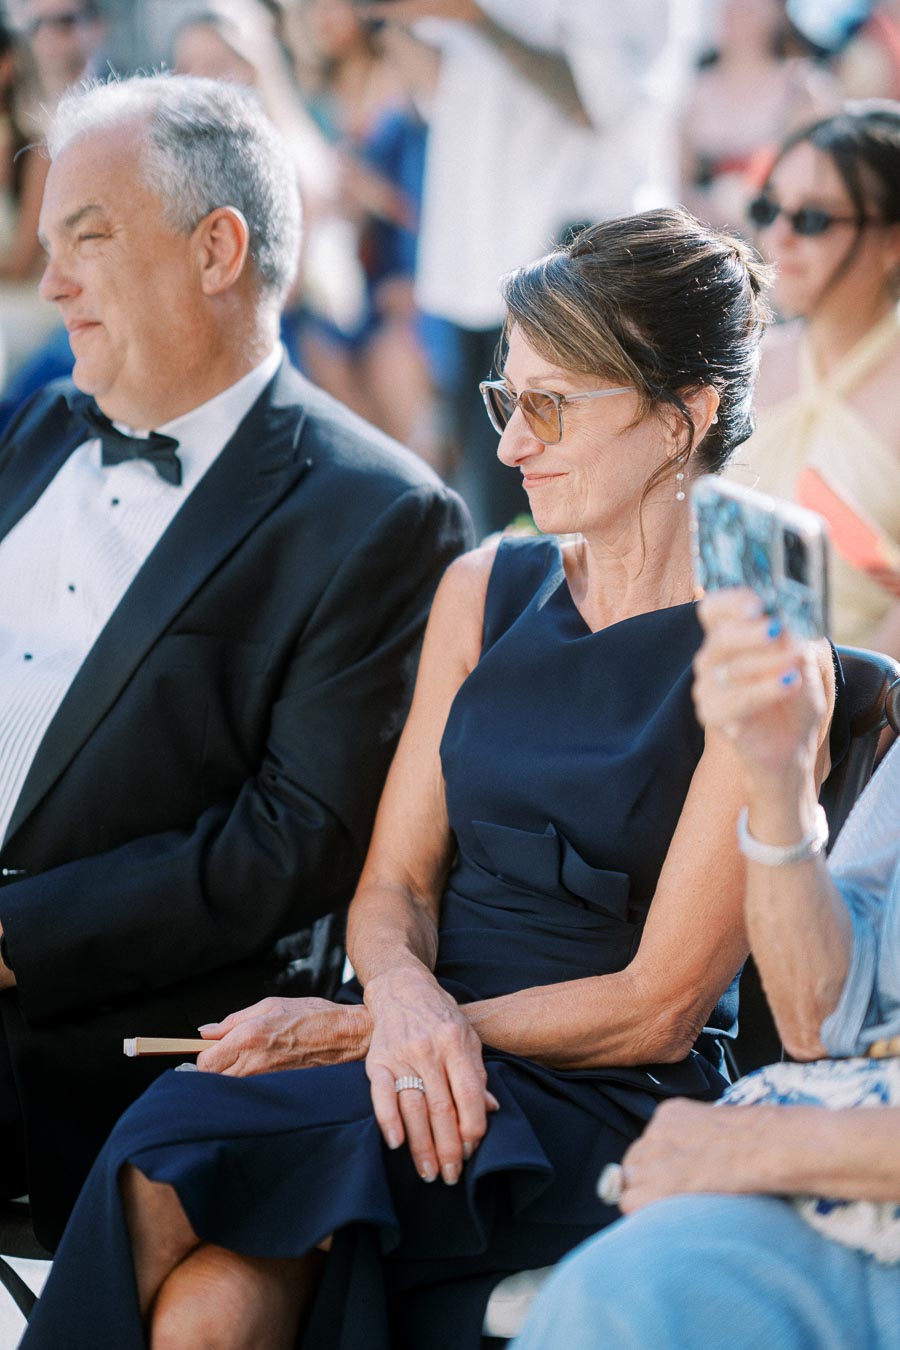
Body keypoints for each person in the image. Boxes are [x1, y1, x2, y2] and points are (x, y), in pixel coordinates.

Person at [20, 207, 835, 1350]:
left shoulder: (766, 641)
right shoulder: (485, 586)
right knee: (210, 1309)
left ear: (682, 419)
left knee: (170, 1148)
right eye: (509, 400)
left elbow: (658, 1008)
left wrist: (374, 1033)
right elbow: (392, 882)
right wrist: (398, 1005)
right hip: (417, 1044)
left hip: (594, 1094)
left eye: (553, 405)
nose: (509, 445)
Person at [0, 71, 471, 1249]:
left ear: (217, 249)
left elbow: (290, 844)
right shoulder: (41, 423)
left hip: (106, 1039)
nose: (49, 279)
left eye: (87, 239)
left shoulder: (381, 514)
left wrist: (17, 945)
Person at [513, 585, 900, 1350]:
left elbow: (657, 1010)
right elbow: (822, 1021)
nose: (509, 454)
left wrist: (761, 1147)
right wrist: (777, 785)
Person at [729, 101, 900, 654]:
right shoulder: (746, 361)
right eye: (767, 208)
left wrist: (848, 728)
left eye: (813, 219)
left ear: (893, 241)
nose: (779, 236)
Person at [678, 0, 838, 230]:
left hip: (778, 232)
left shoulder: (802, 87)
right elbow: (683, 178)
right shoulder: (696, 88)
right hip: (707, 234)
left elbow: (822, 173)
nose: (737, 10)